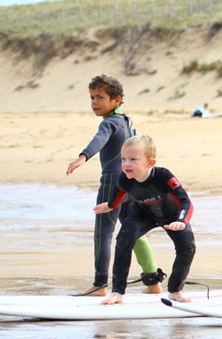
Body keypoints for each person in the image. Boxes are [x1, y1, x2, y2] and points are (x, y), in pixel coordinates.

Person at [66, 75, 163, 297]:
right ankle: (153, 282)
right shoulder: (127, 122)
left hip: (112, 182)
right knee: (134, 231)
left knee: (103, 232)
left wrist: (83, 157)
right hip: (133, 183)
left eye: (100, 97)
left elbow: (99, 139)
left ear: (116, 100)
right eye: (92, 97)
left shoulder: (109, 122)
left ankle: (100, 284)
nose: (94, 102)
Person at [93, 135, 196, 305]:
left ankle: (175, 291)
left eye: (133, 159)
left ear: (150, 163)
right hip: (143, 213)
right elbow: (117, 195)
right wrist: (110, 206)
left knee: (187, 247)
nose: (126, 164)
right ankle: (117, 292)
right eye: (123, 159)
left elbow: (186, 201)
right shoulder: (125, 179)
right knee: (124, 240)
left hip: (171, 215)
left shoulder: (164, 176)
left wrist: (182, 221)